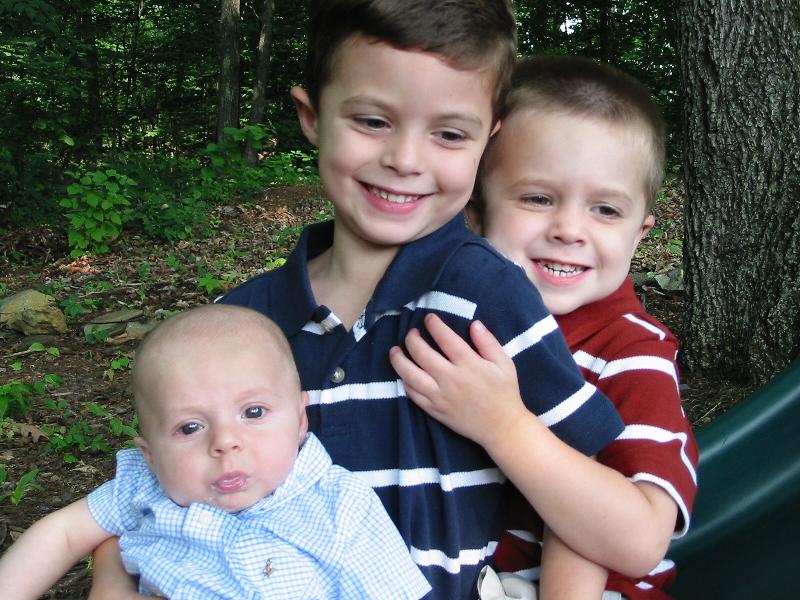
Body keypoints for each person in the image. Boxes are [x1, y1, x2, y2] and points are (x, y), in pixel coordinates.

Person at [89, 2, 625, 597]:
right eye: (372, 121)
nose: (405, 160)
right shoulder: (240, 323)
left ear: (487, 139)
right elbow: (159, 490)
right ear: (312, 117)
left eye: (449, 134)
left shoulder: (485, 298)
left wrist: (506, 428)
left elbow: (582, 500)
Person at [390, 56, 699, 599]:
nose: (569, 230)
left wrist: (503, 425)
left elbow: (639, 541)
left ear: (639, 232)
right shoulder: (445, 317)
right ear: (475, 212)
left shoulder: (629, 350)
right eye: (538, 198)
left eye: (606, 210)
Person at [0, 304, 431, 600]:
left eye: (253, 412)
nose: (224, 441)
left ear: (300, 419)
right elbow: (61, 535)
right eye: (190, 427)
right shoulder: (142, 488)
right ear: (150, 455)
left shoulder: (340, 506)